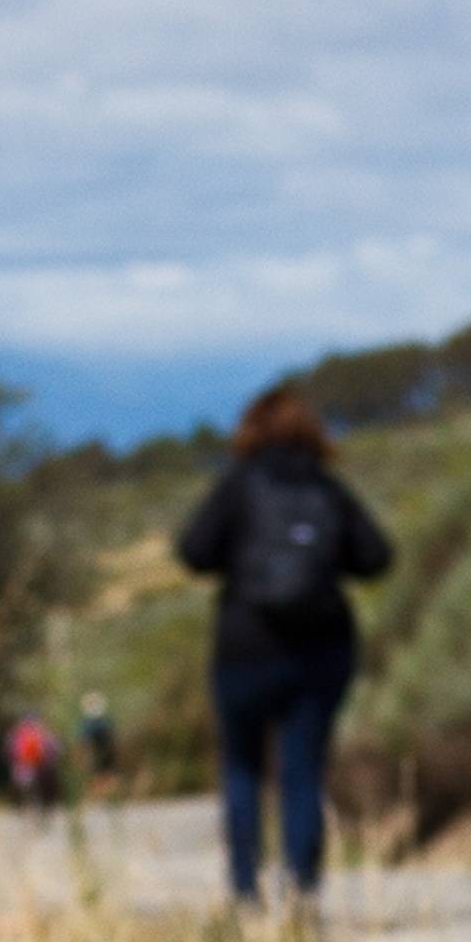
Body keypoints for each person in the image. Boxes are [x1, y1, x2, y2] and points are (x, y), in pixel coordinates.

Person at [174, 381, 394, 909]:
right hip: (318, 651)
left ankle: (245, 893)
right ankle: (303, 892)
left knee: (242, 768)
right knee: (303, 772)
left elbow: (193, 550)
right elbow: (377, 557)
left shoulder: (238, 485)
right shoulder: (327, 489)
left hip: (245, 648)